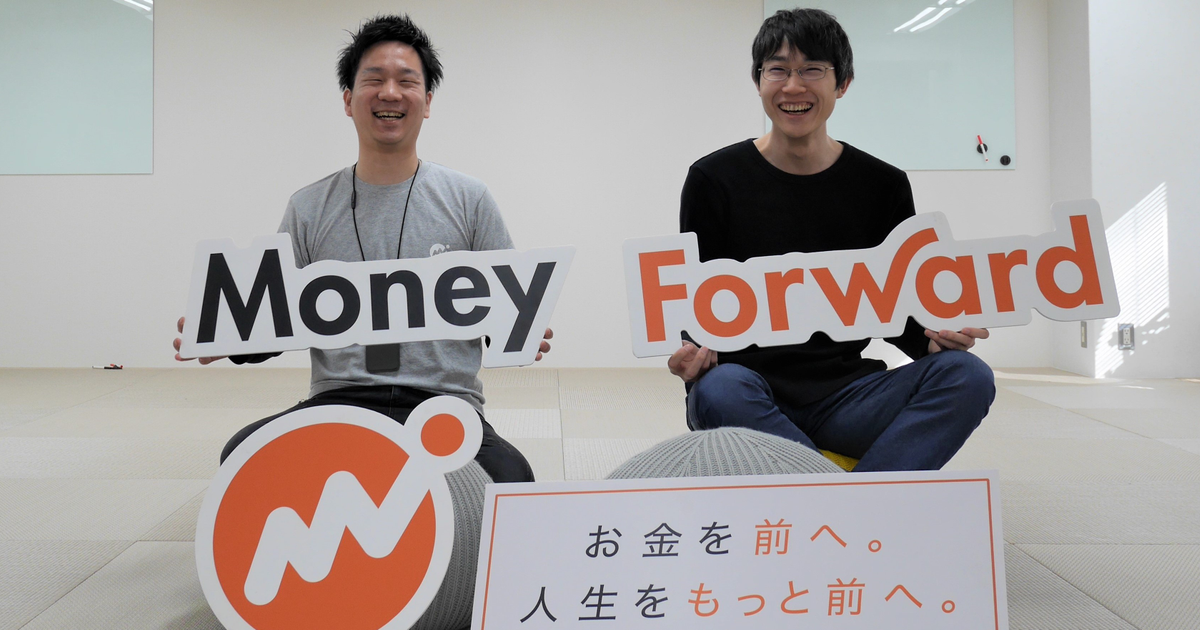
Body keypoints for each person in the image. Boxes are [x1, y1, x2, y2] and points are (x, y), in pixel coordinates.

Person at [173, 14, 549, 483]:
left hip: (444, 405)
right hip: (339, 401)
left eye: (406, 81)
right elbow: (278, 320)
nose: (390, 93)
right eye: (374, 80)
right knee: (242, 456)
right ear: (348, 100)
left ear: (427, 102)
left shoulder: (469, 199)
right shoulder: (308, 206)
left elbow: (501, 312)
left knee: (510, 477)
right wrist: (227, 337)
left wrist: (521, 327)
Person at [668, 8, 994, 472]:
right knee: (719, 389)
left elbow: (898, 309)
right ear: (758, 81)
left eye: (812, 70)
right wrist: (692, 359)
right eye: (777, 70)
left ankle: (822, 490)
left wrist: (933, 341)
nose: (792, 86)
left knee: (967, 375)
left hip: (851, 397)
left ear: (842, 83)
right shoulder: (713, 180)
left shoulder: (882, 185)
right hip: (747, 394)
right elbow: (699, 307)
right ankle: (861, 499)